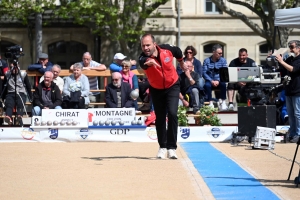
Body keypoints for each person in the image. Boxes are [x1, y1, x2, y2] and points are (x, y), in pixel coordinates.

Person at [139, 33, 187, 159]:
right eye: (143, 46)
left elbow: (178, 51)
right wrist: (149, 62)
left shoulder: (167, 49)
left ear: (154, 44)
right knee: (159, 118)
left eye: (148, 45)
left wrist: (181, 62)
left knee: (172, 113)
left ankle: (172, 148)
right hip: (156, 89)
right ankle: (162, 147)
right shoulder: (143, 58)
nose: (146, 48)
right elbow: (143, 63)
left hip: (172, 85)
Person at [275, 40, 300, 143]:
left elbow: (293, 69)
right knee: (291, 113)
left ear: (299, 48)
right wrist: (277, 59)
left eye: (292, 47)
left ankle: (298, 134)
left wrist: (282, 62)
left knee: (298, 113)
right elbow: (283, 69)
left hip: (298, 90)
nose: (291, 49)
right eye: (290, 47)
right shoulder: (290, 59)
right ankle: (293, 133)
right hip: (289, 90)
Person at [203, 44, 228, 110]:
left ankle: (223, 102)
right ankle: (210, 103)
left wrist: (218, 80)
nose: (221, 55)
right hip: (210, 80)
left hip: (219, 80)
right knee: (207, 85)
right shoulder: (206, 61)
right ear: (213, 52)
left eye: (221, 53)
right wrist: (211, 81)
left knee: (223, 84)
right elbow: (204, 73)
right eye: (219, 53)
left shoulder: (223, 61)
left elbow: (224, 73)